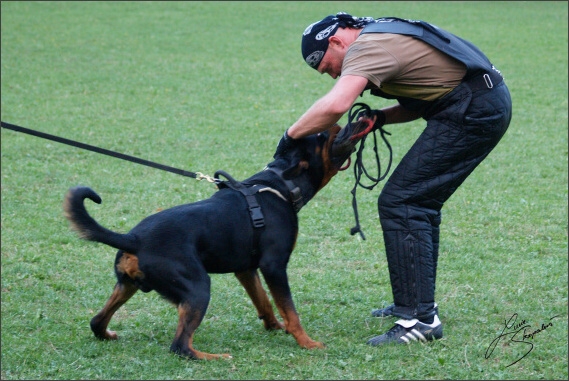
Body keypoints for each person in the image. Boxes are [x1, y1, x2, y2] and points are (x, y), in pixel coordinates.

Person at [274, 12, 512, 346]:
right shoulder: (382, 35)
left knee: (404, 201)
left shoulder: (367, 46)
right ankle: (415, 302)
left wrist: (290, 136)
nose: (333, 75)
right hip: (477, 103)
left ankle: (419, 319)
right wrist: (381, 117)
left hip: (472, 110)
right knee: (419, 202)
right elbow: (428, 95)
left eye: (328, 67)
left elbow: (336, 105)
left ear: (337, 41)